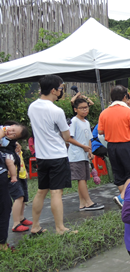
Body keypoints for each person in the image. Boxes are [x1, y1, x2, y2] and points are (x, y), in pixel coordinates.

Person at [27, 75, 78, 236]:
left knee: (41, 191)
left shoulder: (32, 107)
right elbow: (66, 136)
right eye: (61, 88)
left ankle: (35, 226)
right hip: (57, 155)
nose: (62, 91)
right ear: (54, 90)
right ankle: (60, 228)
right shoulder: (56, 110)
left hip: (41, 156)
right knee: (56, 192)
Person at [99, 85, 130, 206]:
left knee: (119, 174)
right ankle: (123, 197)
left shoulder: (104, 112)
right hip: (125, 145)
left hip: (111, 146)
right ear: (125, 97)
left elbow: (100, 131)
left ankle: (126, 201)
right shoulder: (128, 111)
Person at [68, 98, 104, 211]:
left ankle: (82, 203)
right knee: (81, 178)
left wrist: (89, 151)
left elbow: (89, 138)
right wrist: (83, 147)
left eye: (86, 107)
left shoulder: (86, 122)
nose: (85, 110)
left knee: (83, 178)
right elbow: (69, 138)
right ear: (75, 109)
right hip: (75, 155)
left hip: (84, 154)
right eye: (82, 108)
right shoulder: (74, 121)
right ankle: (88, 202)